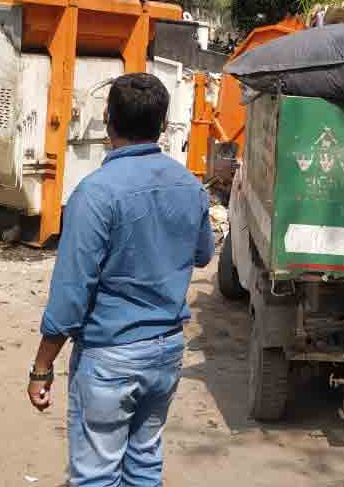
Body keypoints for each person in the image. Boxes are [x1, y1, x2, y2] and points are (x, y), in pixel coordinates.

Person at [28, 72, 215, 487]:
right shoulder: (190, 185)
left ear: (108, 119)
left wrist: (43, 366)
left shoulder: (95, 193)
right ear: (163, 126)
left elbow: (71, 292)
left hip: (111, 354)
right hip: (166, 351)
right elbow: (203, 255)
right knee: (144, 465)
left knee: (96, 474)